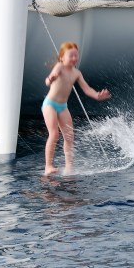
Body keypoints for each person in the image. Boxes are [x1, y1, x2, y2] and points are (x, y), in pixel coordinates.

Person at [42, 41, 111, 176]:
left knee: (69, 136)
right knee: (54, 134)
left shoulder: (77, 73)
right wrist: (50, 79)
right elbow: (48, 80)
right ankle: (48, 166)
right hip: (50, 104)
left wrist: (97, 95)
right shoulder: (59, 67)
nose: (74, 58)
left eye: (76, 55)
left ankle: (69, 166)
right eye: (71, 55)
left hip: (63, 106)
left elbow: (87, 89)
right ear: (62, 57)